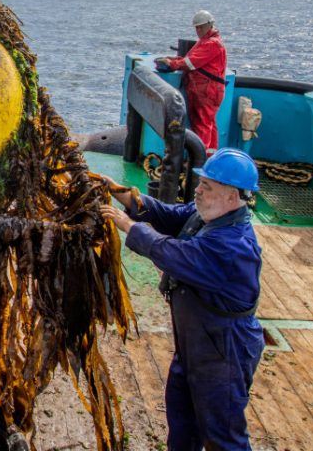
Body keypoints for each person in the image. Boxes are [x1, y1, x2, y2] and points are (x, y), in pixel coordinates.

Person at [100, 148, 264, 451]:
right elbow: (168, 215)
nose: (198, 191)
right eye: (200, 183)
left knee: (223, 437)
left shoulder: (232, 246)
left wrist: (128, 226)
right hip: (195, 345)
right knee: (182, 425)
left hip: (224, 351)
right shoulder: (208, 214)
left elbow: (173, 254)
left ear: (233, 197)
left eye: (207, 187)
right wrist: (120, 192)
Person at [156, 10, 228, 151]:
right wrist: (173, 60)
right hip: (207, 89)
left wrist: (171, 63)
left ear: (210, 25)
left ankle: (199, 161)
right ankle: (209, 156)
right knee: (209, 123)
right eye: (197, 27)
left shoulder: (211, 44)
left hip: (208, 90)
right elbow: (190, 58)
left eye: (201, 27)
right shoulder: (206, 42)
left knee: (202, 124)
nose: (198, 30)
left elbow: (190, 63)